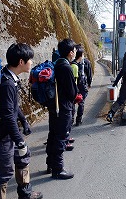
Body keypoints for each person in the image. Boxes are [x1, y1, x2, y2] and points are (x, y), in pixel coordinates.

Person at [0, 43, 43, 199]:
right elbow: (7, 116)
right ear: (21, 62)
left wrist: (23, 121)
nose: (31, 62)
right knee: (2, 174)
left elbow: (13, 106)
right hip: (1, 136)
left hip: (9, 133)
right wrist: (20, 141)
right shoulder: (6, 84)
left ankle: (25, 194)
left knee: (22, 159)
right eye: (29, 59)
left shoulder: (9, 77)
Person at [45, 38, 79, 179]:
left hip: (55, 106)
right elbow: (72, 92)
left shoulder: (56, 63)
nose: (75, 52)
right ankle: (58, 169)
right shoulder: (66, 67)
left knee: (53, 135)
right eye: (74, 50)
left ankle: (50, 164)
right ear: (71, 53)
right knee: (61, 137)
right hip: (63, 108)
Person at [71, 44, 92, 126]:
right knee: (81, 102)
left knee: (72, 102)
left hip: (73, 85)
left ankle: (71, 119)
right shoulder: (86, 62)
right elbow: (89, 74)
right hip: (82, 85)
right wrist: (89, 84)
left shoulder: (71, 63)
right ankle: (78, 120)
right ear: (81, 55)